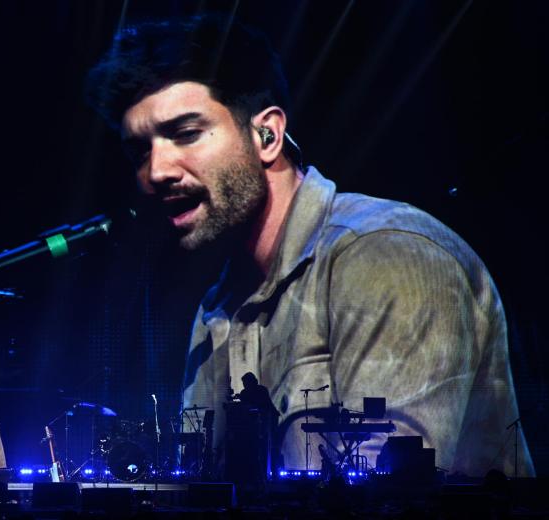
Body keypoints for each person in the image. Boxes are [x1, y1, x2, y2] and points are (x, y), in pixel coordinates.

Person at [85, 14, 534, 477]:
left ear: (268, 135)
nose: (157, 170)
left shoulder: (386, 254)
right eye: (140, 150)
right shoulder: (217, 308)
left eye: (185, 133)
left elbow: (393, 498)